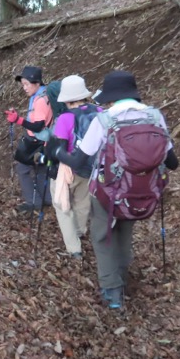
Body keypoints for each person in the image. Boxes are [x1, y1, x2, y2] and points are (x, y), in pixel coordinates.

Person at [47, 70, 179, 310]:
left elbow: (78, 160)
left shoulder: (105, 120)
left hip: (107, 192)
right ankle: (123, 277)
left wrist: (57, 153)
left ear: (111, 96)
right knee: (125, 234)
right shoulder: (155, 116)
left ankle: (112, 292)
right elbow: (173, 162)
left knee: (103, 237)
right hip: (142, 191)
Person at [44, 75, 102, 262]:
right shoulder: (100, 111)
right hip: (92, 167)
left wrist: (49, 157)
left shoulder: (65, 118)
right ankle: (80, 230)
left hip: (68, 168)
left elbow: (58, 148)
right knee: (83, 201)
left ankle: (74, 248)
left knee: (62, 205)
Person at [5, 66, 54, 213]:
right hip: (46, 141)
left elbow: (38, 126)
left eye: (27, 84)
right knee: (40, 168)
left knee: (22, 169)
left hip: (35, 142)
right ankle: (47, 198)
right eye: (23, 85)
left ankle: (34, 202)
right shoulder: (44, 94)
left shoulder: (39, 100)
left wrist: (17, 120)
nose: (24, 88)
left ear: (37, 83)